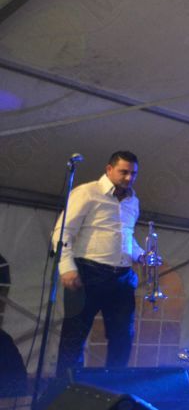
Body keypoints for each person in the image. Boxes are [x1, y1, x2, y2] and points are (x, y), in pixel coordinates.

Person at [53, 151, 147, 376]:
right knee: (74, 336)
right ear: (109, 169)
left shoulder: (133, 201)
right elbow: (63, 231)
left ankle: (113, 385)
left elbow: (126, 236)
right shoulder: (87, 192)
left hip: (122, 277)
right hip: (88, 272)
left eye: (133, 173)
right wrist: (67, 267)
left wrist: (141, 255)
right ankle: (67, 387)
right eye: (124, 172)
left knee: (123, 336)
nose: (129, 178)